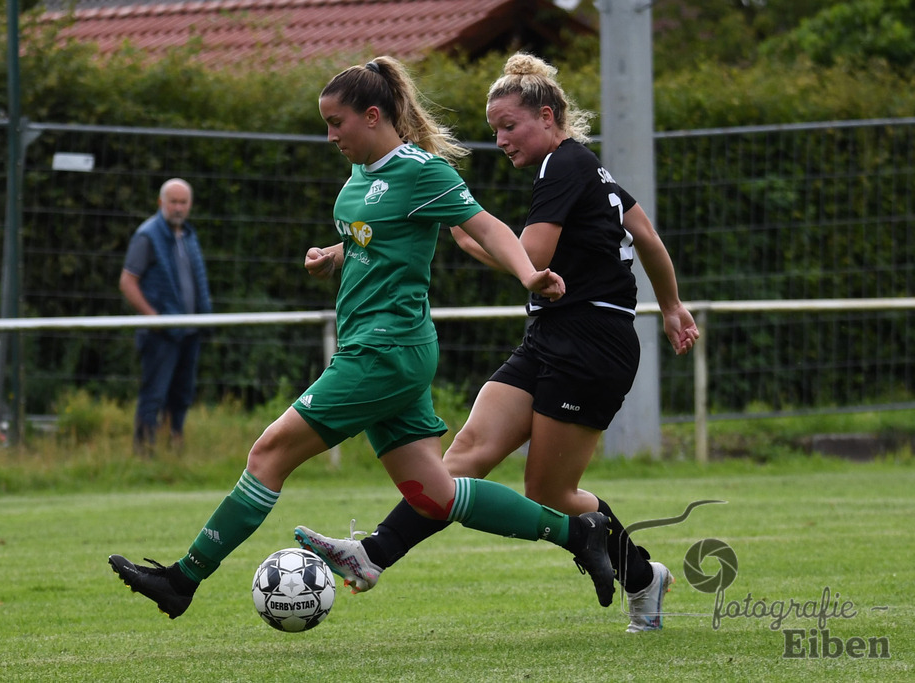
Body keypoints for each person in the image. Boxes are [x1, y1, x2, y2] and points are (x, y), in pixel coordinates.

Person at [108, 55, 619, 620]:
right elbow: (374, 241)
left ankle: (184, 579)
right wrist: (337, 254)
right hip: (382, 348)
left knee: (268, 453)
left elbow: (489, 227)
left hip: (384, 349)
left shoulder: (423, 172)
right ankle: (580, 534)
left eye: (336, 123)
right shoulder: (360, 176)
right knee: (436, 494)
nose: (330, 136)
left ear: (372, 115)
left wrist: (528, 274)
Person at [295, 52, 700, 633]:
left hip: (592, 342)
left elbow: (530, 257)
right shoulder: (589, 169)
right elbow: (648, 238)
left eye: (510, 127)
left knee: (549, 490)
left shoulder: (565, 164)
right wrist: (671, 305)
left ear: (548, 114)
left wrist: (465, 234)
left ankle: (643, 577)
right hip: (550, 335)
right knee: (462, 458)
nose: (502, 140)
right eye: (494, 131)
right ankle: (372, 555)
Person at [119, 178, 212, 454]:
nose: (178, 208)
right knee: (154, 393)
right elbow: (127, 281)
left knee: (182, 394)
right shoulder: (147, 235)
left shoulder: (189, 235)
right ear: (161, 203)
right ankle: (143, 451)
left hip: (190, 330)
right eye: (173, 202)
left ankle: (174, 445)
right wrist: (154, 318)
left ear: (190, 205)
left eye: (183, 202)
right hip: (160, 334)